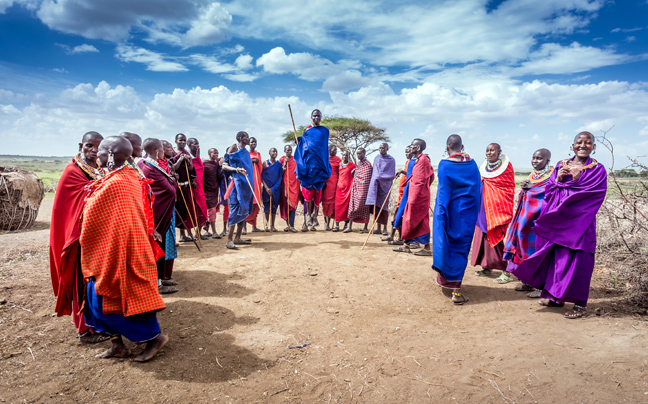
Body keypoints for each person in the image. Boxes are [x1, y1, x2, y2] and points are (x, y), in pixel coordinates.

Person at [81, 136, 168, 362]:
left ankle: (154, 338)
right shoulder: (123, 177)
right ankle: (117, 346)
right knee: (95, 301)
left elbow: (98, 214)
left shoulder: (118, 182)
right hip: (110, 251)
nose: (96, 154)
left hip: (121, 252)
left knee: (109, 303)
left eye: (100, 150)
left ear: (110, 155)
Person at [510, 132, 606, 319]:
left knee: (579, 262)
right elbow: (550, 190)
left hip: (580, 224)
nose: (583, 145)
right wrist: (558, 180)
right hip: (557, 221)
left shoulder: (598, 169)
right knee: (556, 259)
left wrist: (578, 180)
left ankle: (580, 305)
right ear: (573, 145)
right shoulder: (561, 165)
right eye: (580, 142)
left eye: (588, 143)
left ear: (593, 147)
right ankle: (555, 297)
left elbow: (596, 194)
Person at [49, 131, 108, 344]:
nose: (94, 150)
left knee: (95, 282)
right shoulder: (72, 172)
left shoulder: (99, 170)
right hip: (76, 238)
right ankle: (84, 330)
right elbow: (76, 204)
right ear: (80, 145)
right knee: (81, 282)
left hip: (95, 236)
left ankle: (97, 323)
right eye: (89, 145)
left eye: (99, 147)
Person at [431, 135, 481, 304]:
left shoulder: (445, 165)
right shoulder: (473, 165)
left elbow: (443, 192)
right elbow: (476, 192)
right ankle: (456, 291)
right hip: (466, 215)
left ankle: (448, 283)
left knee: (446, 243)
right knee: (461, 249)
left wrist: (440, 215)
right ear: (463, 146)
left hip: (449, 213)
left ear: (447, 147)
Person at [504, 149, 553, 297]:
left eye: (539, 158)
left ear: (547, 161)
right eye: (534, 158)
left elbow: (548, 195)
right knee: (523, 248)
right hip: (525, 219)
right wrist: (525, 188)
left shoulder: (551, 177)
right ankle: (528, 282)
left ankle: (540, 287)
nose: (535, 161)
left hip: (538, 222)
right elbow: (528, 192)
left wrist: (530, 190)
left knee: (536, 252)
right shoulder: (534, 175)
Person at [138, 138, 178, 294]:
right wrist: (172, 182)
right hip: (155, 216)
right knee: (154, 247)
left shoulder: (151, 166)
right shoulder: (148, 168)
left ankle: (162, 278)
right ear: (156, 151)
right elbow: (170, 189)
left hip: (161, 214)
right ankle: (156, 283)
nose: (164, 151)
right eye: (162, 148)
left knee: (160, 246)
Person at [471, 143, 515, 281]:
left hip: (496, 210)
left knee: (495, 236)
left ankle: (506, 270)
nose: (489, 153)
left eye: (492, 150)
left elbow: (507, 189)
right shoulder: (483, 167)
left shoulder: (506, 167)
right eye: (487, 150)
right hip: (482, 208)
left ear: (499, 151)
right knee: (482, 236)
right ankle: (487, 266)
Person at [395, 138, 435, 256]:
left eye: (412, 145)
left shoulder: (423, 160)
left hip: (418, 197)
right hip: (412, 194)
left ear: (417, 148)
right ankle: (406, 245)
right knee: (407, 218)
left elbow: (422, 181)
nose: (410, 147)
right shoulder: (418, 160)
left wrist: (413, 199)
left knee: (420, 220)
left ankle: (427, 248)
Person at [295, 109, 332, 230]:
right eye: (314, 115)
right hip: (309, 166)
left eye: (318, 115)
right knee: (307, 194)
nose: (316, 117)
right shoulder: (307, 130)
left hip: (320, 166)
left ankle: (315, 216)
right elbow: (302, 145)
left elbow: (323, 148)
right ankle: (308, 216)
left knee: (318, 193)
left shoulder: (324, 131)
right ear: (311, 117)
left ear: (321, 117)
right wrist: (299, 140)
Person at [222, 132, 255, 249]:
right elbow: (224, 166)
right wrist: (236, 169)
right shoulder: (234, 148)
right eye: (246, 136)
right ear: (241, 138)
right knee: (235, 210)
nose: (248, 138)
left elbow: (249, 169)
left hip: (246, 186)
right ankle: (229, 240)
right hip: (235, 186)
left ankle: (238, 237)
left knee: (244, 209)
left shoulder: (245, 152)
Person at [172, 133, 200, 242]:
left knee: (184, 210)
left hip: (185, 186)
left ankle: (183, 235)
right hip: (175, 186)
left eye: (184, 140)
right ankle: (174, 236)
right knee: (176, 210)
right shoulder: (172, 153)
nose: (182, 142)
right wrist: (180, 159)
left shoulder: (186, 153)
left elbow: (191, 169)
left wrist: (188, 161)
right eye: (180, 140)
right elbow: (172, 167)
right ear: (176, 141)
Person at [158, 140, 179, 286]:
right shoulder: (150, 165)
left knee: (170, 239)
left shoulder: (168, 164)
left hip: (170, 208)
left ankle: (167, 275)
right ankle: (160, 278)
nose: (171, 149)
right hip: (160, 210)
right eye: (168, 147)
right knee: (161, 242)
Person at [382, 146, 412, 243]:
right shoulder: (407, 162)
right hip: (401, 196)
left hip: (406, 196)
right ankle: (392, 236)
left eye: (408, 152)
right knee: (396, 217)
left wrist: (403, 172)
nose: (406, 154)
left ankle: (399, 238)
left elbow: (412, 175)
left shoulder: (413, 163)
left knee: (399, 218)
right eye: (405, 152)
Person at [366, 143, 396, 235]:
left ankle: (385, 229)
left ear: (387, 148)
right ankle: (378, 228)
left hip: (386, 186)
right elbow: (374, 172)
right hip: (376, 186)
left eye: (383, 148)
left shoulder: (391, 160)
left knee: (384, 207)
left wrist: (380, 177)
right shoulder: (376, 158)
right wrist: (376, 179)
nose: (381, 149)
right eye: (380, 147)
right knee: (376, 207)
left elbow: (391, 174)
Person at [187, 137, 209, 236]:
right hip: (190, 188)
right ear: (189, 145)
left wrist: (197, 157)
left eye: (198, 143)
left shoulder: (198, 158)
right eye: (195, 144)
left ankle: (198, 233)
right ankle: (189, 234)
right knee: (190, 210)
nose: (197, 146)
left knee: (202, 209)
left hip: (200, 188)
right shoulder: (186, 156)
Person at [347, 148, 373, 233]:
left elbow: (367, 179)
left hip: (364, 190)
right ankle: (349, 226)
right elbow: (355, 174)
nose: (358, 155)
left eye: (360, 154)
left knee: (365, 207)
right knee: (352, 206)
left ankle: (365, 227)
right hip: (355, 188)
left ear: (364, 153)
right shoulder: (358, 164)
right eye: (357, 154)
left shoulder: (368, 165)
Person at [203, 148, 224, 239]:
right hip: (205, 190)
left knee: (212, 210)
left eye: (217, 153)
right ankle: (213, 232)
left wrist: (222, 169)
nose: (216, 154)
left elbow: (218, 176)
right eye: (214, 153)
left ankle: (208, 231)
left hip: (214, 189)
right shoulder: (204, 163)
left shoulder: (216, 164)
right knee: (207, 211)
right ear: (209, 154)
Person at [280, 145, 300, 232]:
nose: (289, 151)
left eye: (290, 150)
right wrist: (285, 163)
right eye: (287, 150)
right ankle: (287, 225)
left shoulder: (295, 159)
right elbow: (280, 172)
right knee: (286, 205)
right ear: (284, 150)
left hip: (294, 185)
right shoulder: (281, 159)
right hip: (285, 185)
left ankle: (292, 225)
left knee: (293, 205)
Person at [245, 137, 264, 233]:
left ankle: (254, 226)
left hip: (257, 181)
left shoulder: (258, 154)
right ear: (248, 143)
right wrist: (252, 161)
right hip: (249, 181)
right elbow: (244, 164)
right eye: (252, 142)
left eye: (255, 142)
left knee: (256, 204)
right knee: (247, 203)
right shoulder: (246, 153)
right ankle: (243, 228)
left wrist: (257, 161)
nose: (253, 143)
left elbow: (260, 166)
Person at [334, 150, 356, 232]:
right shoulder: (339, 165)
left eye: (346, 155)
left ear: (349, 156)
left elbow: (354, 176)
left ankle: (346, 225)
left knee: (346, 208)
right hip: (339, 189)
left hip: (348, 190)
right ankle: (336, 225)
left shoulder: (352, 165)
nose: (344, 157)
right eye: (343, 155)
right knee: (337, 207)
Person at [322, 145, 342, 231]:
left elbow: (342, 168)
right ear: (329, 150)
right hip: (327, 184)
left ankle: (336, 224)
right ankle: (326, 223)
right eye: (334, 150)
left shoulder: (338, 159)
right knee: (326, 204)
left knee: (335, 204)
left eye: (336, 150)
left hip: (336, 183)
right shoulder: (325, 158)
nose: (336, 151)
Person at [262, 147, 282, 232]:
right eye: (273, 151)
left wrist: (273, 189)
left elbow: (280, 177)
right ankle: (266, 225)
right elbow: (261, 176)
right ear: (269, 153)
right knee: (267, 207)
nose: (275, 153)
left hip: (276, 189)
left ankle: (272, 225)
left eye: (276, 151)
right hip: (266, 189)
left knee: (274, 207)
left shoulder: (278, 164)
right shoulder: (265, 163)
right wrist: (266, 188)